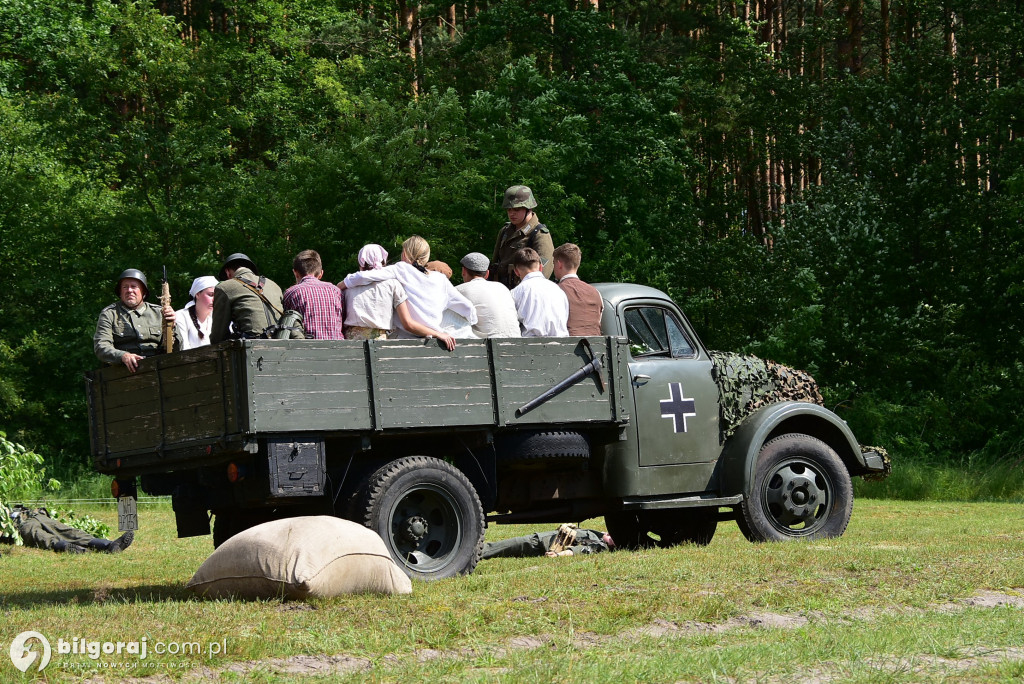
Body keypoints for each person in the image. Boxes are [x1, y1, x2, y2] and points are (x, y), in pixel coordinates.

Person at [339, 236, 477, 350]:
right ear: (427, 257)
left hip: (406, 337)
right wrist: (473, 321)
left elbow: (365, 276)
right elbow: (467, 307)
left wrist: (339, 285)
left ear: (404, 254)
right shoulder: (440, 279)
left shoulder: (401, 269)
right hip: (436, 338)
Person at [94, 268, 179, 372]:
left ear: (143, 292)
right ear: (120, 292)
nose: (129, 290)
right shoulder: (109, 314)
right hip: (124, 373)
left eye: (134, 287)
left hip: (158, 370)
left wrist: (172, 326)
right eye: (125, 287)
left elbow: (177, 349)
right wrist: (123, 356)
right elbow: (101, 347)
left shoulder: (159, 313)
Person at [210, 253, 302, 343]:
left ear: (227, 272)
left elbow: (218, 336)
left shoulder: (224, 287)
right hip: (281, 343)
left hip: (251, 348)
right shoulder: (274, 285)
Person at [490, 185, 554, 288]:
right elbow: (495, 263)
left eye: (517, 209)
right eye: (509, 210)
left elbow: (543, 272)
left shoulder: (539, 234)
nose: (512, 213)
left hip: (525, 291)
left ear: (529, 209)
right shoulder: (505, 231)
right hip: (501, 291)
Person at [2, 505, 134, 554]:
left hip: (35, 516)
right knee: (43, 537)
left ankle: (111, 545)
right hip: (18, 527)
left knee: (70, 532)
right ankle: (74, 549)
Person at [455, 252, 521, 338]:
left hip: (488, 346)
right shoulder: (502, 287)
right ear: (487, 274)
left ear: (463, 271)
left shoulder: (459, 290)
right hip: (516, 341)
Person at [283, 250, 345, 340]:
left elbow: (287, 325)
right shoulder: (337, 291)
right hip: (338, 349)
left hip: (306, 350)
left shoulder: (292, 293)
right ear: (321, 274)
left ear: (295, 273)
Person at [510, 248, 569, 337]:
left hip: (531, 347)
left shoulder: (515, 293)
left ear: (516, 272)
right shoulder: (558, 290)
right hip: (563, 346)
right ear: (541, 267)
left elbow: (511, 325)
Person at [552, 243, 604, 336]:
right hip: (596, 348)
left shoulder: (555, 291)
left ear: (559, 264)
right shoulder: (596, 293)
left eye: (554, 263)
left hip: (568, 348)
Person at [481, 525, 615, 559]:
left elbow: (580, 550)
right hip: (541, 538)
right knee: (511, 545)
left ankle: (480, 552)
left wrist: (558, 555)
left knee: (511, 545)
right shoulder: (598, 535)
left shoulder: (600, 545)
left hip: (540, 544)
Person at [174, 275, 218, 350]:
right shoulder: (181, 316)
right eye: (211, 295)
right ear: (197, 294)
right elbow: (184, 350)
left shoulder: (216, 317)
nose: (214, 299)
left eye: (217, 295)